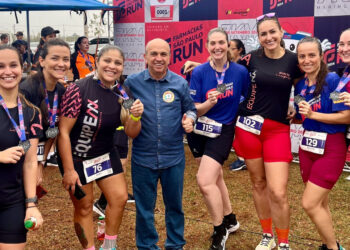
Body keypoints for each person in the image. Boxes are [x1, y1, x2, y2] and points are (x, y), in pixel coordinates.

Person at [58, 45, 143, 250]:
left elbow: (132, 132)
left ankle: (109, 246)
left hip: (105, 153)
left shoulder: (123, 91)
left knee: (120, 198)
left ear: (123, 67)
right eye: (107, 61)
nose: (112, 66)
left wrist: (136, 116)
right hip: (77, 157)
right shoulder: (78, 89)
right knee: (85, 206)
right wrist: (69, 170)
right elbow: (63, 132)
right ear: (97, 62)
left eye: (117, 63)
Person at [233, 13, 303, 250]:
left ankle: (283, 242)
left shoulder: (294, 61)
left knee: (278, 190)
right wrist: (198, 66)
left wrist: (297, 103)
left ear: (282, 33)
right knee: (258, 183)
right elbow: (226, 69)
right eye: (263, 34)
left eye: (273, 32)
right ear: (259, 37)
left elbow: (309, 82)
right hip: (248, 129)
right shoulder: (251, 58)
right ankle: (267, 236)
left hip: (277, 131)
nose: (269, 37)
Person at [124, 38, 196, 250]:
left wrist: (190, 118)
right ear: (145, 57)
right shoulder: (132, 83)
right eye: (153, 54)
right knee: (144, 208)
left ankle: (175, 244)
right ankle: (147, 245)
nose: (158, 58)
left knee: (174, 206)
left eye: (163, 54)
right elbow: (124, 107)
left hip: (173, 157)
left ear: (169, 57)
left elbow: (190, 108)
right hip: (142, 157)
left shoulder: (180, 83)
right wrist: (130, 112)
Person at [186, 28, 249, 250]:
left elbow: (246, 96)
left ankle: (219, 228)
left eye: (221, 42)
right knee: (215, 177)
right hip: (198, 131)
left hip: (223, 130)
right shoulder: (199, 72)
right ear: (207, 46)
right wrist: (207, 104)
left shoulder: (240, 72)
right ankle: (230, 218)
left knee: (204, 181)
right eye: (212, 43)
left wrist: (231, 112)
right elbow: (194, 108)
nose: (217, 47)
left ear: (228, 44)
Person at [295, 36, 349, 250]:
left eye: (311, 55)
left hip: (331, 148)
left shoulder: (334, 81)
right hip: (307, 147)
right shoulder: (300, 84)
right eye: (302, 56)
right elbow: (304, 113)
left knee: (309, 203)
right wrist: (296, 114)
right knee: (320, 203)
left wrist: (314, 116)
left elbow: (346, 116)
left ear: (321, 56)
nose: (307, 60)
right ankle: (330, 244)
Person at [0, 45, 43, 249]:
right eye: (0, 66)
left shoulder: (32, 113)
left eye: (13, 65)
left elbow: (30, 161)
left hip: (12, 202)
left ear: (22, 67)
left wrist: (31, 204)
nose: (7, 71)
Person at [20, 38, 70, 186]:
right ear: (42, 61)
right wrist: (31, 165)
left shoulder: (61, 91)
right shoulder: (27, 89)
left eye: (65, 59)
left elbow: (52, 132)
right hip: (19, 156)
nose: (61, 64)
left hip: (38, 154)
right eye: (55, 58)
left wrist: (41, 163)